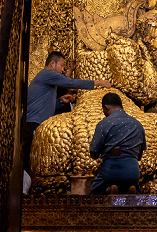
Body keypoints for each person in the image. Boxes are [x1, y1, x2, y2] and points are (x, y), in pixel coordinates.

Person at [24, 51, 111, 192]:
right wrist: (99, 82)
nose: (62, 69)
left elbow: (43, 103)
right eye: (62, 65)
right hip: (32, 124)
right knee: (29, 163)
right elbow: (70, 82)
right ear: (52, 63)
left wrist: (59, 102)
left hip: (37, 124)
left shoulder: (47, 79)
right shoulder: (46, 74)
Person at [88, 92, 146, 195]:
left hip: (111, 169)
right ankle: (129, 190)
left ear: (106, 107)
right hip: (132, 170)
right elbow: (139, 156)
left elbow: (94, 153)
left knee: (94, 192)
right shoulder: (138, 124)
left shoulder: (103, 124)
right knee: (135, 190)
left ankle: (108, 190)